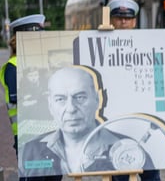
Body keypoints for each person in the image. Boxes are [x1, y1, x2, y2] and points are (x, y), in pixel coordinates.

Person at [2, 14, 66, 181]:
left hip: (51, 131)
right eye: (33, 36)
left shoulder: (44, 65)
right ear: (20, 40)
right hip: (29, 134)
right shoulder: (13, 66)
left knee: (53, 179)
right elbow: (21, 97)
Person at [20, 65, 153, 175]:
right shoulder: (29, 151)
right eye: (60, 99)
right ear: (50, 105)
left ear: (97, 99)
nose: (71, 108)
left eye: (80, 97)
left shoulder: (129, 148)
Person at [107, 0, 165, 181]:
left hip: (145, 119)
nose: (123, 22)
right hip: (117, 120)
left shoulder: (148, 44)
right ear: (111, 19)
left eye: (128, 18)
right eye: (119, 18)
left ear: (134, 21)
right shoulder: (103, 45)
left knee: (151, 173)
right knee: (120, 174)